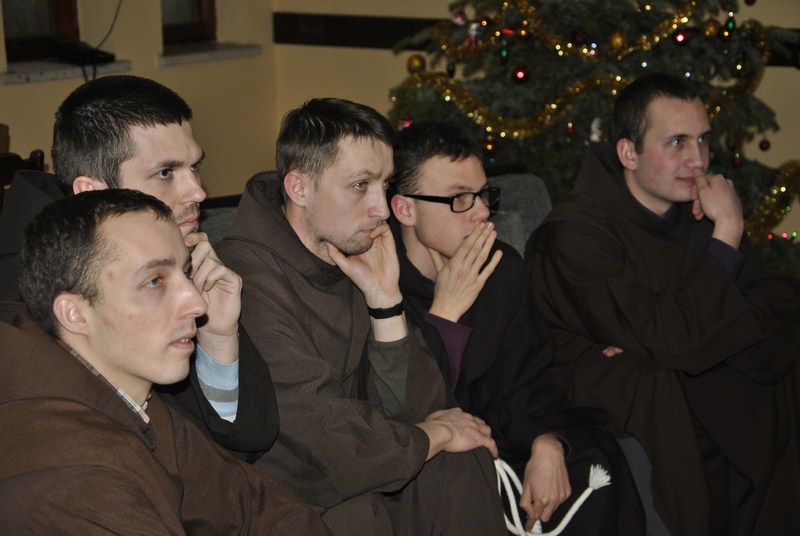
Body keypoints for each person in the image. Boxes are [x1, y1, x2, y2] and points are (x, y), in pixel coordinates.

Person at [525, 72, 800, 536]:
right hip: (614, 399)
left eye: (703, 140)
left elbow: (774, 295)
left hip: (703, 388)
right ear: (628, 153)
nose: (698, 159)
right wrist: (727, 234)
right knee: (669, 376)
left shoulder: (696, 214)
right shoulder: (575, 234)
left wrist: (713, 334)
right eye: (677, 142)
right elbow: (670, 340)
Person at [216, 98, 506, 535]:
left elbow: (420, 406)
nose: (382, 209)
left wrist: (385, 300)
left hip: (362, 468)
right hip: (282, 496)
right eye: (359, 185)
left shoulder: (349, 249)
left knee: (461, 462)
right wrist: (437, 435)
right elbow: (321, 441)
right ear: (299, 188)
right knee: (361, 508)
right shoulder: (243, 279)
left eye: (384, 185)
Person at [0, 189, 331, 534]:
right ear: (75, 314)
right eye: (154, 281)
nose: (197, 304)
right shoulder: (71, 483)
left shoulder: (130, 396)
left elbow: (254, 505)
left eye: (187, 273)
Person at [388, 120, 645, 535]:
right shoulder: (379, 286)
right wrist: (444, 316)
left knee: (593, 458)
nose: (483, 212)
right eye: (459, 198)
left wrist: (544, 440)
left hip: (506, 434)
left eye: (483, 194)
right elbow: (405, 409)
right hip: (434, 450)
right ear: (405, 209)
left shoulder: (502, 267)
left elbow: (526, 377)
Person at [0, 75, 276, 459]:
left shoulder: (182, 252)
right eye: (165, 173)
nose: (198, 192)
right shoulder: (30, 306)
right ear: (93, 192)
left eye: (194, 167)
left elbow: (250, 441)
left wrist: (218, 338)